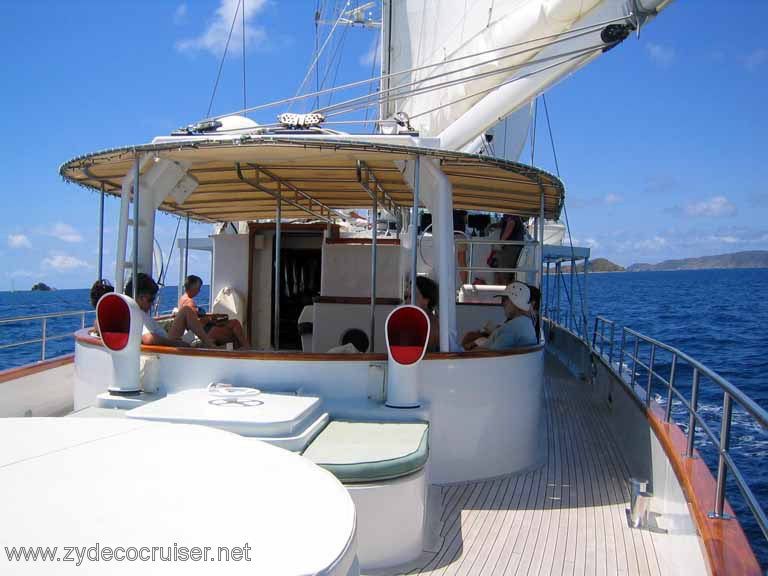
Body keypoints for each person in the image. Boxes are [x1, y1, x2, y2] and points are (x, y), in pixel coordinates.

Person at [125, 273, 216, 348]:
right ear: (141, 298)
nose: (152, 304)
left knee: (186, 311)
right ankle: (209, 344)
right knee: (186, 310)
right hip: (168, 348)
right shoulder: (138, 314)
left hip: (166, 342)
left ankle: (208, 342)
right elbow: (148, 338)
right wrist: (176, 343)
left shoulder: (132, 314)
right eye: (151, 300)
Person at [178, 275, 250, 349]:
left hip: (206, 329)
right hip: (206, 332)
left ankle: (239, 348)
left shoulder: (182, 299)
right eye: (198, 288)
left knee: (234, 326)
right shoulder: (190, 303)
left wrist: (212, 316)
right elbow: (195, 322)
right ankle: (246, 348)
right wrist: (213, 321)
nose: (199, 290)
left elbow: (197, 317)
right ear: (193, 287)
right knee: (235, 325)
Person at [462, 281, 537, 351]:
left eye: (504, 300)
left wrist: (468, 351)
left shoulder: (511, 328)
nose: (503, 304)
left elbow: (492, 354)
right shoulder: (526, 322)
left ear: (513, 302)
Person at [494, 214, 525, 284]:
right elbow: (504, 223)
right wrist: (492, 225)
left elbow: (511, 223)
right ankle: (506, 291)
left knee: (504, 274)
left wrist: (501, 242)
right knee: (505, 273)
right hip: (513, 247)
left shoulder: (511, 213)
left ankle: (506, 293)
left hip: (511, 247)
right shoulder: (512, 215)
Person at [414, 276, 440, 352]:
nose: (407, 301)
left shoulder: (431, 323)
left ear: (426, 300)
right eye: (405, 297)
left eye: (411, 296)